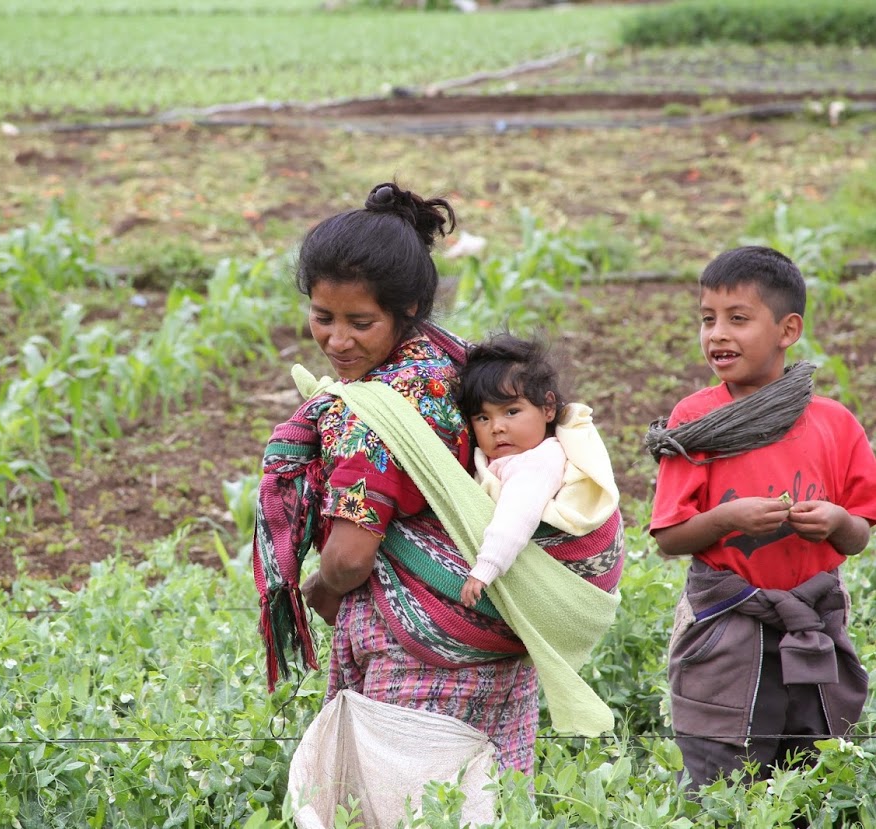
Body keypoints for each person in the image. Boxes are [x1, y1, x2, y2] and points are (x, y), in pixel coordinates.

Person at [251, 182, 624, 777]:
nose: (338, 340)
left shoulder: (375, 413)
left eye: (360, 322)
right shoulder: (457, 365)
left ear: (408, 312)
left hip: (419, 659)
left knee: (407, 806)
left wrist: (320, 592)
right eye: (323, 318)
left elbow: (349, 559)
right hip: (501, 639)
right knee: (490, 805)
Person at [648, 245, 876, 792]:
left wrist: (836, 520)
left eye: (738, 319)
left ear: (787, 329)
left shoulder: (835, 424)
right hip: (726, 626)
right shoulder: (696, 420)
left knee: (809, 778)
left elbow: (858, 535)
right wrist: (728, 518)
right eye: (708, 319)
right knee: (720, 782)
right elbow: (670, 538)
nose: (717, 334)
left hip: (812, 622)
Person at [457, 333, 621, 610]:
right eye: (483, 418)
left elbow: (517, 515)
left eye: (511, 411)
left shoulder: (537, 462)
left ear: (547, 408)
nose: (496, 427)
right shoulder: (514, 456)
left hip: (554, 580)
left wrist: (485, 568)